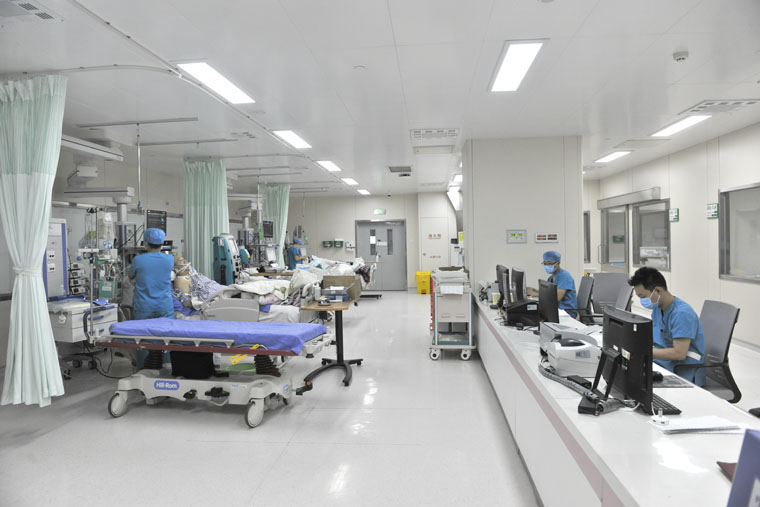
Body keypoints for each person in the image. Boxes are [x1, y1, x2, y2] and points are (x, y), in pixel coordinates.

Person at [628, 267, 705, 386]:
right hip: (666, 362)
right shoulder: (658, 308)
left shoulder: (682, 313)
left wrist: (645, 352)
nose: (643, 301)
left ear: (658, 291)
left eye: (643, 297)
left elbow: (679, 353)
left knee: (638, 385)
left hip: (684, 369)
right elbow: (656, 337)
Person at [129, 228, 174, 320]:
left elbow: (131, 276)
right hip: (164, 305)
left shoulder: (138, 259)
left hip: (144, 306)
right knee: (166, 328)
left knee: (142, 329)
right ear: (162, 243)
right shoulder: (169, 259)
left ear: (145, 243)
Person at [528, 251, 578, 318]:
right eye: (545, 263)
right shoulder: (551, 278)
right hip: (556, 310)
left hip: (567, 312)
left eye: (550, 263)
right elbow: (550, 293)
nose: (547, 266)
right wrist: (535, 291)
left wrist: (536, 294)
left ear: (558, 263)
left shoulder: (564, 276)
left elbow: (557, 297)